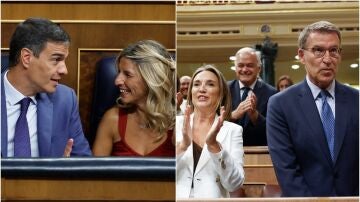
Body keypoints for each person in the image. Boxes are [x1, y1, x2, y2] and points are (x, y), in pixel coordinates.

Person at [267, 21, 359, 196]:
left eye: (334, 51)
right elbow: (287, 171)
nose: (327, 59)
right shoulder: (280, 105)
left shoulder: (357, 100)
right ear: (301, 55)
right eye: (318, 50)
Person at [1, 17, 91, 157]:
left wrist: (67, 170)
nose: (64, 70)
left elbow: (84, 162)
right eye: (56, 59)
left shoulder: (65, 100)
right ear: (26, 58)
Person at [92, 40, 176, 157]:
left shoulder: (179, 124)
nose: (117, 81)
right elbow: (95, 173)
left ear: (151, 79)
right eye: (119, 72)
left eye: (127, 74)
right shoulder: (112, 120)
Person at [176, 65, 244, 198]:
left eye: (210, 84)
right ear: (191, 92)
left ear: (221, 93)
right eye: (196, 84)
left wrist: (214, 146)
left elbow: (234, 184)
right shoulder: (173, 124)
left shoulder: (233, 130)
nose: (202, 89)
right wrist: (182, 146)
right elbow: (159, 172)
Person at [228, 47, 277, 146]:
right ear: (235, 68)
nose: (245, 70)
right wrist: (233, 115)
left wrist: (255, 116)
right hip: (228, 152)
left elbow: (275, 129)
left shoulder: (272, 93)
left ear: (259, 68)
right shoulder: (224, 90)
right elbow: (212, 121)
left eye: (250, 65)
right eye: (240, 65)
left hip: (259, 153)